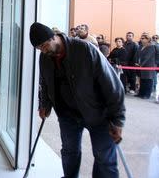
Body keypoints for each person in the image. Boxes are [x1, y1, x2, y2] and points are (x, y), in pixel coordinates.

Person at [30, 22, 125, 178]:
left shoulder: (85, 50)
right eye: (39, 48)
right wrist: (44, 104)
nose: (43, 50)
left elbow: (112, 86)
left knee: (104, 158)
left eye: (44, 45)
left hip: (98, 113)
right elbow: (44, 82)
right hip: (67, 114)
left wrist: (118, 120)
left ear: (54, 37)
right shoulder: (45, 57)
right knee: (69, 152)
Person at [134, 33, 158, 99]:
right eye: (141, 38)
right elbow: (137, 55)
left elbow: (147, 57)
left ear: (148, 39)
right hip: (141, 66)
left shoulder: (151, 47)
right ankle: (141, 93)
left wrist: (141, 64)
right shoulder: (141, 46)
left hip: (148, 66)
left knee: (148, 80)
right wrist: (137, 63)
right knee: (142, 80)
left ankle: (147, 95)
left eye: (143, 38)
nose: (141, 39)